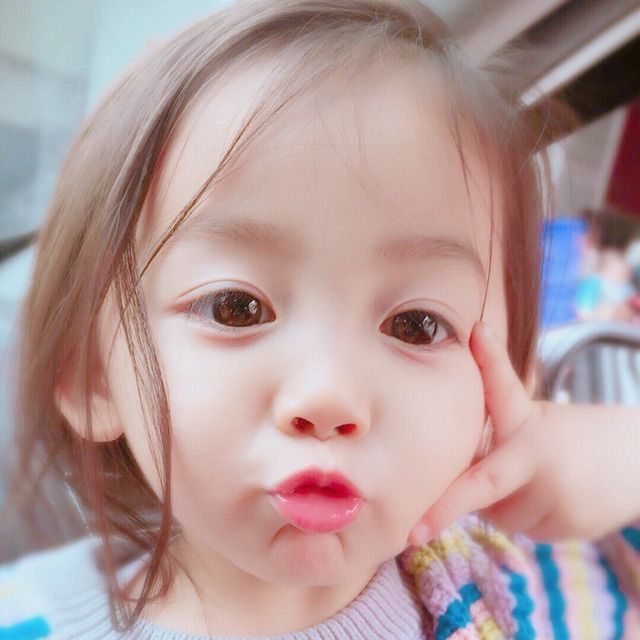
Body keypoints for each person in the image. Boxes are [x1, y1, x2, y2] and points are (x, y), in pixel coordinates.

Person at [0, 0, 638, 638]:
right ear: (93, 373)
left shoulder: (513, 576)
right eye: (236, 308)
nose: (329, 396)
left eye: (416, 325)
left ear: (501, 391)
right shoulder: (30, 618)